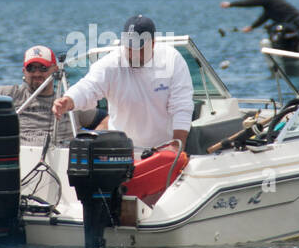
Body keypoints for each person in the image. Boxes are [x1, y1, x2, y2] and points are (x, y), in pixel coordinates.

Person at [52, 14, 193, 154]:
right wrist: (68, 100)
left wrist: (176, 146)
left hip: (163, 150)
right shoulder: (111, 62)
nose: (133, 54)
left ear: (153, 44)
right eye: (129, 48)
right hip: (121, 150)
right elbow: (88, 87)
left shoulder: (172, 59)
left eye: (139, 48)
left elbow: (182, 106)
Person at [0, 45, 84, 145]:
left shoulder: (68, 99)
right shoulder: (8, 95)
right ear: (24, 71)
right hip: (20, 158)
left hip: (63, 158)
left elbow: (102, 119)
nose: (37, 73)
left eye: (43, 68)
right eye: (31, 68)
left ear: (55, 70)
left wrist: (90, 140)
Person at [220, 0, 299, 52]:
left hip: (296, 23)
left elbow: (250, 2)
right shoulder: (271, 2)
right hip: (295, 24)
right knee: (271, 28)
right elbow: (264, 17)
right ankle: (285, 53)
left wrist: (231, 4)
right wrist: (251, 27)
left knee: (277, 31)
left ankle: (291, 53)